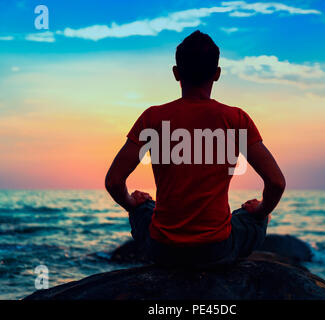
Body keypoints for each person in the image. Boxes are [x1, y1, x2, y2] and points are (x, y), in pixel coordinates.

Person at [105, 30, 285, 267]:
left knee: (143, 207)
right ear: (217, 74)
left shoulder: (152, 118)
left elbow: (114, 181)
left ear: (176, 73)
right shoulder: (236, 119)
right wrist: (261, 210)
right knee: (253, 217)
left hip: (163, 250)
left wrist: (131, 203)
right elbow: (276, 183)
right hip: (215, 250)